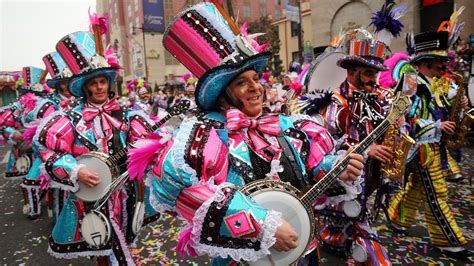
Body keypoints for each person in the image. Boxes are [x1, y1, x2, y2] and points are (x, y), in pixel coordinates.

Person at [127, 3, 364, 265]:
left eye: (255, 79)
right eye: (242, 82)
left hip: (301, 251)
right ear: (223, 94)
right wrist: (263, 225)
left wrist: (337, 168)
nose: (256, 88)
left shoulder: (285, 126)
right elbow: (185, 194)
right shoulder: (207, 137)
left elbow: (313, 169)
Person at [35, 30, 159, 264]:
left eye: (103, 81)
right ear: (86, 88)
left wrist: (150, 148)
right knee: (103, 246)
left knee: (118, 242)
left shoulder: (127, 114)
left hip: (125, 193)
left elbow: (147, 144)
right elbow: (48, 150)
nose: (100, 87)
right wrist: (76, 170)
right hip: (91, 195)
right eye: (94, 83)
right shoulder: (69, 118)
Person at [308, 29, 395, 265]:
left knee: (347, 225)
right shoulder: (336, 102)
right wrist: (367, 150)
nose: (373, 80)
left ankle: (340, 242)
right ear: (350, 72)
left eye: (375, 74)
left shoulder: (379, 98)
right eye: (368, 73)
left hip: (370, 175)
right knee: (355, 221)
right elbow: (327, 143)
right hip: (346, 177)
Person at [387, 29, 470, 259]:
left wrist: (460, 102)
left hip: (433, 145)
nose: (444, 70)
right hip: (420, 147)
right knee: (436, 192)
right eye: (439, 66)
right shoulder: (411, 82)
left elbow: (442, 108)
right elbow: (402, 118)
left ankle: (397, 218)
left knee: (416, 187)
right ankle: (447, 240)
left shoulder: (436, 83)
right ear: (424, 64)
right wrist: (436, 127)